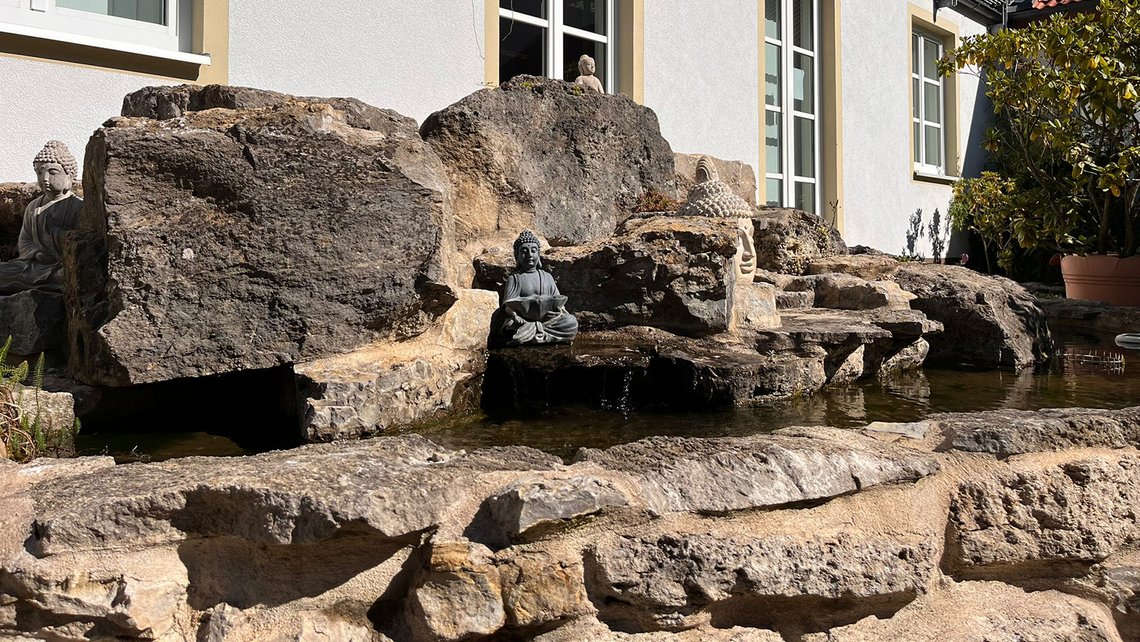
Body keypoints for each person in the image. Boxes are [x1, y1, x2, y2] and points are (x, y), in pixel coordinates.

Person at [0, 141, 83, 294]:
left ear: (69, 177)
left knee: (72, 276)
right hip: (34, 266)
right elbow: (25, 241)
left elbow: (81, 245)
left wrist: (54, 231)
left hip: (60, 266)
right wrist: (37, 254)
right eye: (39, 172)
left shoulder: (78, 207)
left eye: (52, 172)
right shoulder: (33, 207)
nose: (44, 178)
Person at [495, 229, 578, 346]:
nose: (529, 255)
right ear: (517, 256)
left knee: (571, 322)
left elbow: (559, 303)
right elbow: (507, 306)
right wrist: (515, 316)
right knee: (510, 330)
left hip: (547, 321)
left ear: (538, 255)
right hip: (524, 321)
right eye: (524, 251)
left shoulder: (547, 276)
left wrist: (558, 313)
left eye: (533, 251)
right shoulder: (514, 278)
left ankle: (539, 334)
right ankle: (544, 335)